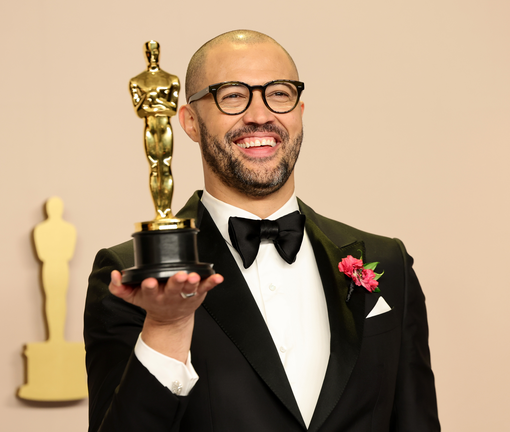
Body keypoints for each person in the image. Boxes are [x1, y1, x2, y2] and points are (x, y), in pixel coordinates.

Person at [84, 30, 440, 432]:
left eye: (279, 93)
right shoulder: (134, 274)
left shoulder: (388, 262)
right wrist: (166, 329)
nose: (259, 114)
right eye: (232, 95)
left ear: (301, 109)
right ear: (189, 122)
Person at [129, 40, 181, 219]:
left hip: (165, 125)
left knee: (165, 166)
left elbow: (172, 108)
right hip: (150, 126)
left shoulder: (171, 79)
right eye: (149, 52)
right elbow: (139, 110)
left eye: (155, 51)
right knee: (154, 167)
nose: (152, 55)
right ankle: (159, 211)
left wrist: (152, 100)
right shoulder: (137, 81)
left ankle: (167, 211)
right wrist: (154, 103)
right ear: (146, 54)